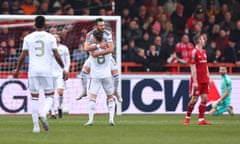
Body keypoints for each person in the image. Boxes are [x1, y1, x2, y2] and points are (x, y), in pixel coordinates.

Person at [13, 16, 65, 133]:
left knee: (34, 98)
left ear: (34, 24)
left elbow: (23, 56)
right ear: (45, 24)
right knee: (50, 96)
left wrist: (17, 70)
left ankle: (36, 127)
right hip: (47, 71)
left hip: (33, 71)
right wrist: (63, 67)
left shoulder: (28, 38)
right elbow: (56, 54)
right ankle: (43, 113)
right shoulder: (50, 37)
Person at [76, 18, 122, 103]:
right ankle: (84, 91)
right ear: (96, 26)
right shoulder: (90, 35)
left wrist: (97, 53)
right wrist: (99, 46)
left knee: (116, 75)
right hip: (92, 58)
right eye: (101, 25)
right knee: (83, 72)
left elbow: (111, 49)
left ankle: (115, 91)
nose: (103, 27)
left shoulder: (107, 34)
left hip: (107, 58)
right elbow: (86, 48)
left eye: (103, 25)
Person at [84, 30, 115, 126]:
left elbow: (88, 49)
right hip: (107, 75)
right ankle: (111, 119)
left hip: (95, 76)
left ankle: (91, 120)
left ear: (95, 38)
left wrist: (96, 47)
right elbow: (111, 49)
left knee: (92, 98)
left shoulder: (92, 49)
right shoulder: (107, 47)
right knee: (110, 97)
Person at [183, 34, 212, 125]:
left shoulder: (204, 52)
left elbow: (205, 65)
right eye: (203, 39)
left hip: (204, 79)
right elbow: (192, 67)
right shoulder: (193, 52)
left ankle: (201, 120)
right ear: (199, 40)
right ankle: (187, 118)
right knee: (194, 99)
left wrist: (209, 77)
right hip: (197, 80)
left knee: (204, 99)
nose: (204, 40)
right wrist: (195, 81)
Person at [50, 33, 70, 119]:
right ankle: (52, 112)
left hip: (60, 73)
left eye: (57, 37)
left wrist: (66, 70)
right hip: (49, 74)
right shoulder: (48, 48)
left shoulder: (64, 48)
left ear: (59, 39)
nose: (55, 38)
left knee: (60, 92)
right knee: (50, 94)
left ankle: (59, 107)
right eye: (54, 37)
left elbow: (68, 61)